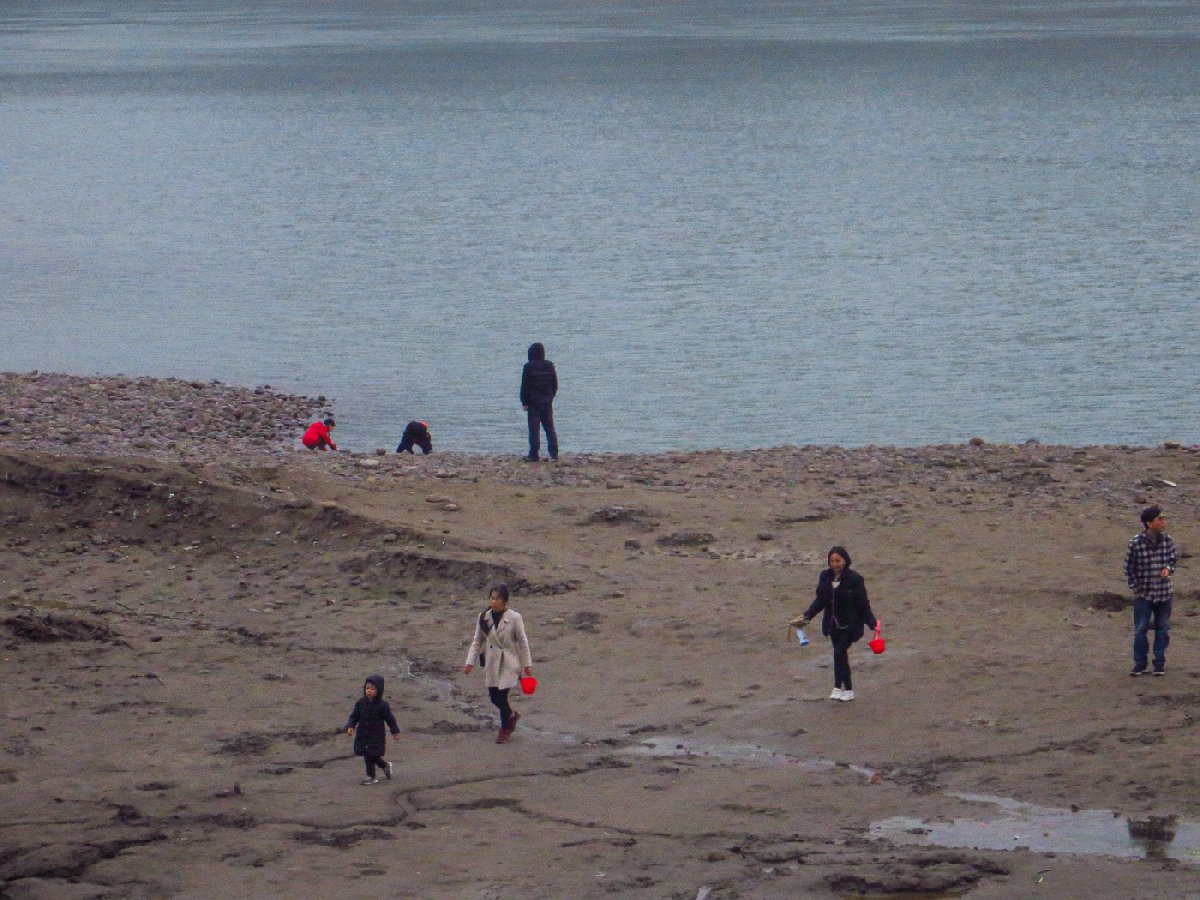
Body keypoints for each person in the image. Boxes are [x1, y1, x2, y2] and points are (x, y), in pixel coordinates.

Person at [790, 546, 877, 702]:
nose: (835, 564)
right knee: (840, 656)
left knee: (838, 653)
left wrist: (872, 623)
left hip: (850, 625)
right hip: (832, 625)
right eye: (832, 561)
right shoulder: (825, 576)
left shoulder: (855, 579)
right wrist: (806, 616)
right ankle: (845, 690)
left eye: (838, 561)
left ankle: (840, 687)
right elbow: (820, 601)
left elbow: (863, 604)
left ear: (845, 560)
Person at [463, 583, 533, 743]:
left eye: (497, 599)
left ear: (505, 601)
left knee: (502, 698)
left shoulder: (514, 618)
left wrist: (527, 664)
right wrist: (469, 662)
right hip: (491, 663)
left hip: (509, 664)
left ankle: (504, 730)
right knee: (494, 698)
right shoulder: (483, 617)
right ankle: (512, 715)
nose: (493, 602)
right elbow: (477, 641)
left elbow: (522, 642)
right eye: (491, 598)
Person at [1125, 505, 1177, 677]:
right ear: (1149, 523)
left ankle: (1159, 664)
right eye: (1159, 519)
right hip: (1144, 595)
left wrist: (1168, 570)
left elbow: (1172, 561)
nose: (1163, 522)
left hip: (1164, 593)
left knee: (1162, 630)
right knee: (1140, 630)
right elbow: (1129, 568)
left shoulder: (1167, 540)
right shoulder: (1136, 543)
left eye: (1163, 518)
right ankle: (1140, 664)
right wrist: (1136, 589)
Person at [342, 674, 399, 785]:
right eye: (367, 688)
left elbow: (390, 719)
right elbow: (354, 716)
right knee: (369, 754)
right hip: (363, 734)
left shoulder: (382, 706)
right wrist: (350, 726)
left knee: (371, 754)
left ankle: (371, 776)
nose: (369, 691)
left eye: (372, 689)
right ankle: (385, 766)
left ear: (379, 690)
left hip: (376, 735)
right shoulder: (361, 703)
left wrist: (395, 731)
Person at [519, 342, 558, 462]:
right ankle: (554, 454)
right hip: (547, 402)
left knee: (534, 429)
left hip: (533, 403)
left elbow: (525, 386)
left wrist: (524, 402)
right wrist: (550, 397)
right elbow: (555, 384)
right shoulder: (550, 365)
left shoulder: (528, 367)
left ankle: (534, 454)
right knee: (550, 428)